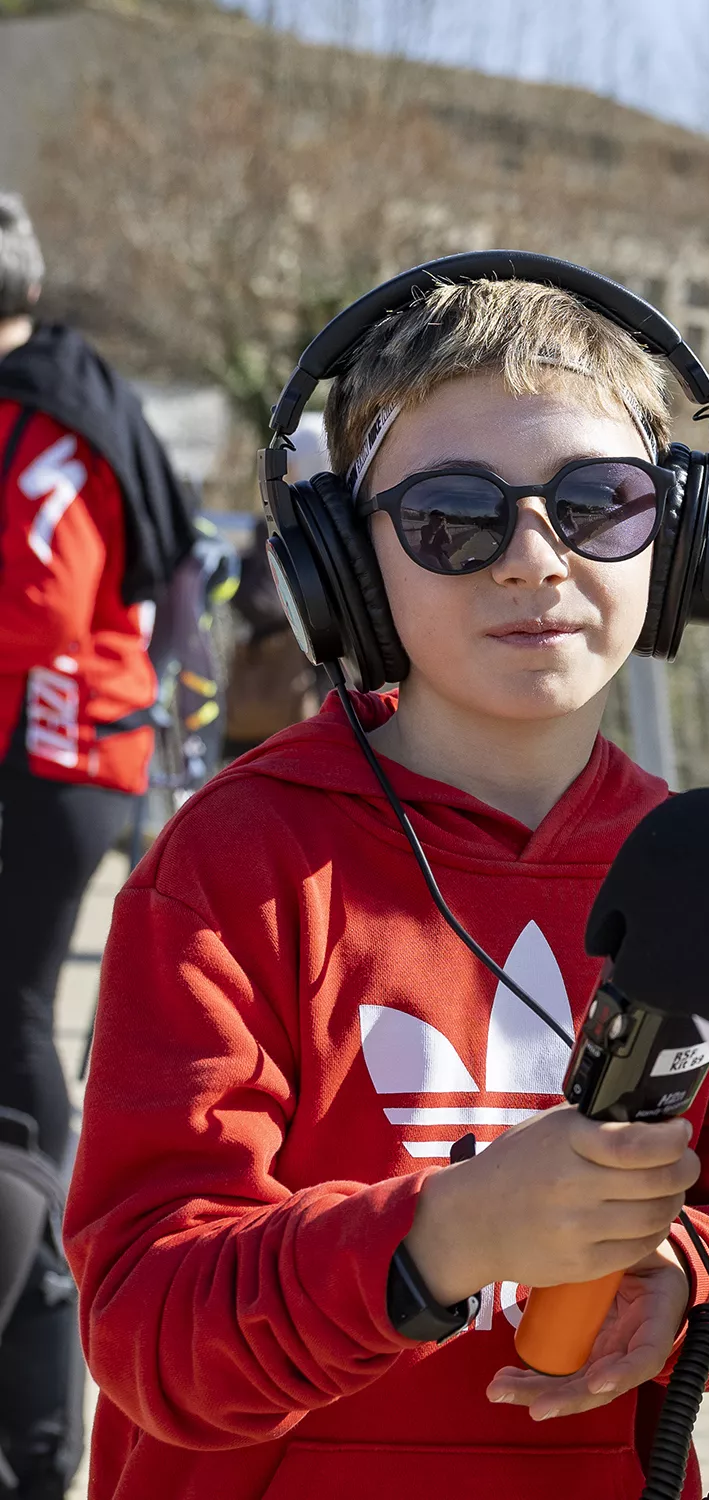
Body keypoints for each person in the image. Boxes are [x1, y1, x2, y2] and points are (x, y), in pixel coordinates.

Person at [63, 274, 709, 1498]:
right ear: (345, 566)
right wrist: (442, 1236)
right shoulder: (232, 868)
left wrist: (681, 1284)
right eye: (454, 519)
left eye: (596, 505)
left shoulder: (707, 879)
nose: (531, 561)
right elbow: (148, 1327)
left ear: (677, 543)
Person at [0, 191, 195, 1499]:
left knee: (13, 1074)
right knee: (14, 1049)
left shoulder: (20, 423)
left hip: (31, 752)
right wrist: (143, 723)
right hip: (90, 755)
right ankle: (39, 1439)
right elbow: (183, 572)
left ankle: (38, 1434)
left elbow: (28, 610)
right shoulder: (93, 390)